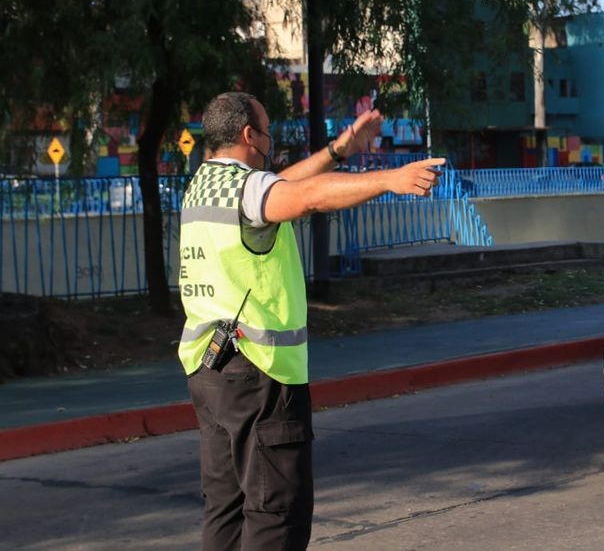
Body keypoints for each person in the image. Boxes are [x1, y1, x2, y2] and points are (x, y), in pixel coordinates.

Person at [177, 92, 443, 550]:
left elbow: (282, 185)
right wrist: (390, 179)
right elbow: (305, 197)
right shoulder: (246, 190)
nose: (270, 140)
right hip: (258, 372)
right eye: (266, 131)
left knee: (225, 507)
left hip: (210, 370)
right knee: (276, 511)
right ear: (249, 135)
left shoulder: (205, 185)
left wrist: (339, 150)